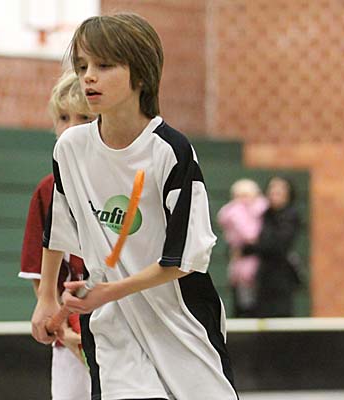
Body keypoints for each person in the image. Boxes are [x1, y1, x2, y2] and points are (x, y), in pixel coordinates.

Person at [31, 13, 238, 400]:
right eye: (82, 66)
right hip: (112, 326)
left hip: (179, 319)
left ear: (140, 75)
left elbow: (184, 259)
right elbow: (58, 228)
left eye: (104, 65)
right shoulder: (70, 150)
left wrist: (111, 291)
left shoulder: (170, 151)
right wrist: (46, 298)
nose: (88, 77)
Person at [19, 70, 95, 400]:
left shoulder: (125, 182)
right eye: (63, 118)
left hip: (122, 329)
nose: (71, 128)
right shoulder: (47, 191)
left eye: (84, 118)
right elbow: (40, 274)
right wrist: (62, 327)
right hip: (71, 335)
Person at [242, 176, 302, 318]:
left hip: (280, 278)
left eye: (280, 189)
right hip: (259, 277)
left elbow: (277, 245)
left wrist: (251, 248)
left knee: (279, 315)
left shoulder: (290, 215)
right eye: (272, 188)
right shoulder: (263, 214)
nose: (275, 192)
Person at [217, 179, 268, 317]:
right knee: (244, 303)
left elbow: (252, 236)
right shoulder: (233, 212)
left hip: (262, 266)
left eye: (246, 195)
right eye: (238, 196)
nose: (242, 200)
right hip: (240, 266)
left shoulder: (263, 211)